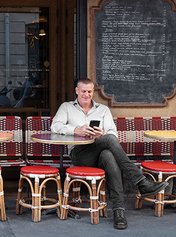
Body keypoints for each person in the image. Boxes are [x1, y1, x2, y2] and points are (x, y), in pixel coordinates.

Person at [51, 77, 168, 230]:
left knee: (109, 155)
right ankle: (141, 182)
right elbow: (55, 126)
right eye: (83, 91)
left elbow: (112, 134)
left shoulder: (103, 110)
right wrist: (76, 130)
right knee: (109, 141)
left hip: (100, 153)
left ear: (93, 92)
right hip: (79, 154)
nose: (86, 95)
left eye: (89, 91)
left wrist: (102, 134)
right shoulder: (66, 107)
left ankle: (119, 212)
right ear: (77, 91)